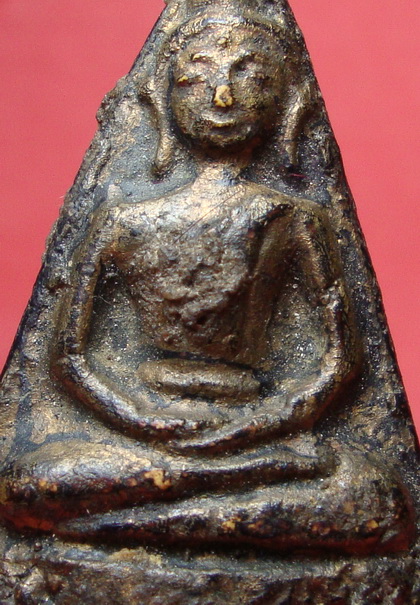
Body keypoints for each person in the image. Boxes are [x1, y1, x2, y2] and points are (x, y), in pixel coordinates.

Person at [0, 11, 414, 554]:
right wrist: (141, 419)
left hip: (256, 430)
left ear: (290, 105)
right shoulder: (121, 222)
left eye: (253, 77)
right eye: (196, 77)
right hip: (148, 432)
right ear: (160, 99)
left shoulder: (293, 219)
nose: (222, 97)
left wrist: (261, 424)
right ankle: (210, 501)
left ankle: (131, 521)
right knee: (26, 483)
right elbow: (69, 360)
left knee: (378, 499)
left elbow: (341, 363)